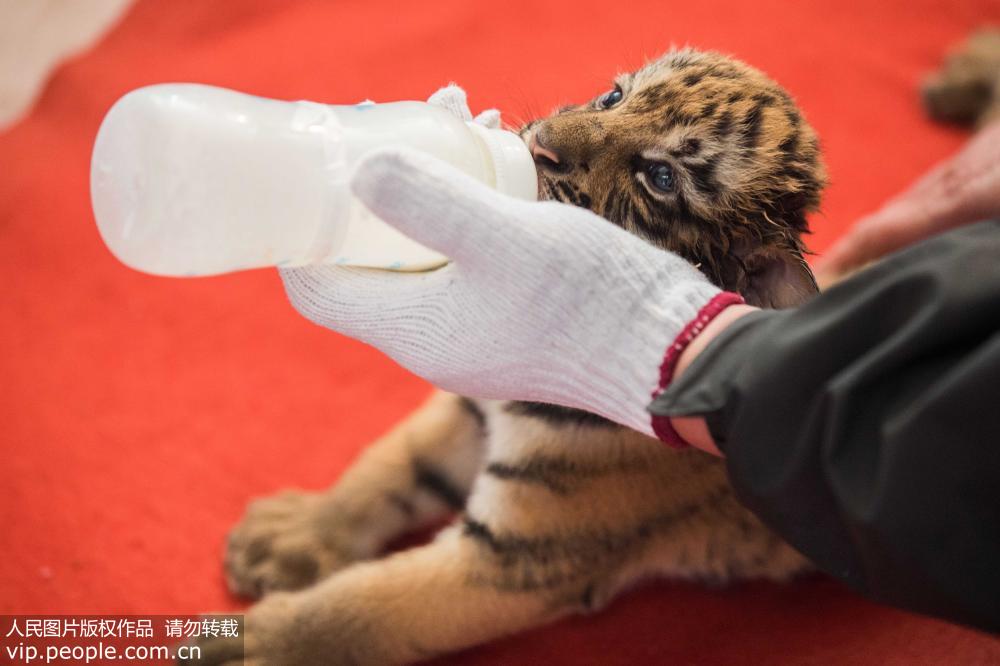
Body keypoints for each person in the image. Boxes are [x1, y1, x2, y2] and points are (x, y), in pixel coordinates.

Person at [279, 121, 1000, 635]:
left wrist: (266, 644)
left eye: (660, 177)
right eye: (617, 96)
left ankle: (171, 638)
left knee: (253, 641)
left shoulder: (646, 448)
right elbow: (461, 421)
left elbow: (496, 574)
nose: (560, 135)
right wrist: (342, 514)